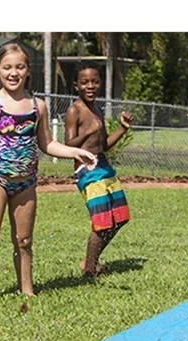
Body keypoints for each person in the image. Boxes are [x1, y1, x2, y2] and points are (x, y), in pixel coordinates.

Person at [0, 43, 97, 310]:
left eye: (19, 67)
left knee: (24, 241)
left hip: (26, 183)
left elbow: (47, 144)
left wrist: (75, 152)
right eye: (7, 67)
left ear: (27, 71)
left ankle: (27, 290)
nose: (13, 73)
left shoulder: (38, 106)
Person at [64, 62, 133, 278]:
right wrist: (87, 133)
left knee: (120, 216)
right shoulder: (75, 110)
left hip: (103, 164)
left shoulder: (97, 109)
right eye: (85, 82)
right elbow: (68, 145)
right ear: (76, 85)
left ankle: (89, 261)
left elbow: (103, 145)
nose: (90, 86)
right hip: (87, 169)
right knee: (102, 222)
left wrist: (122, 128)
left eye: (95, 81)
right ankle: (89, 271)